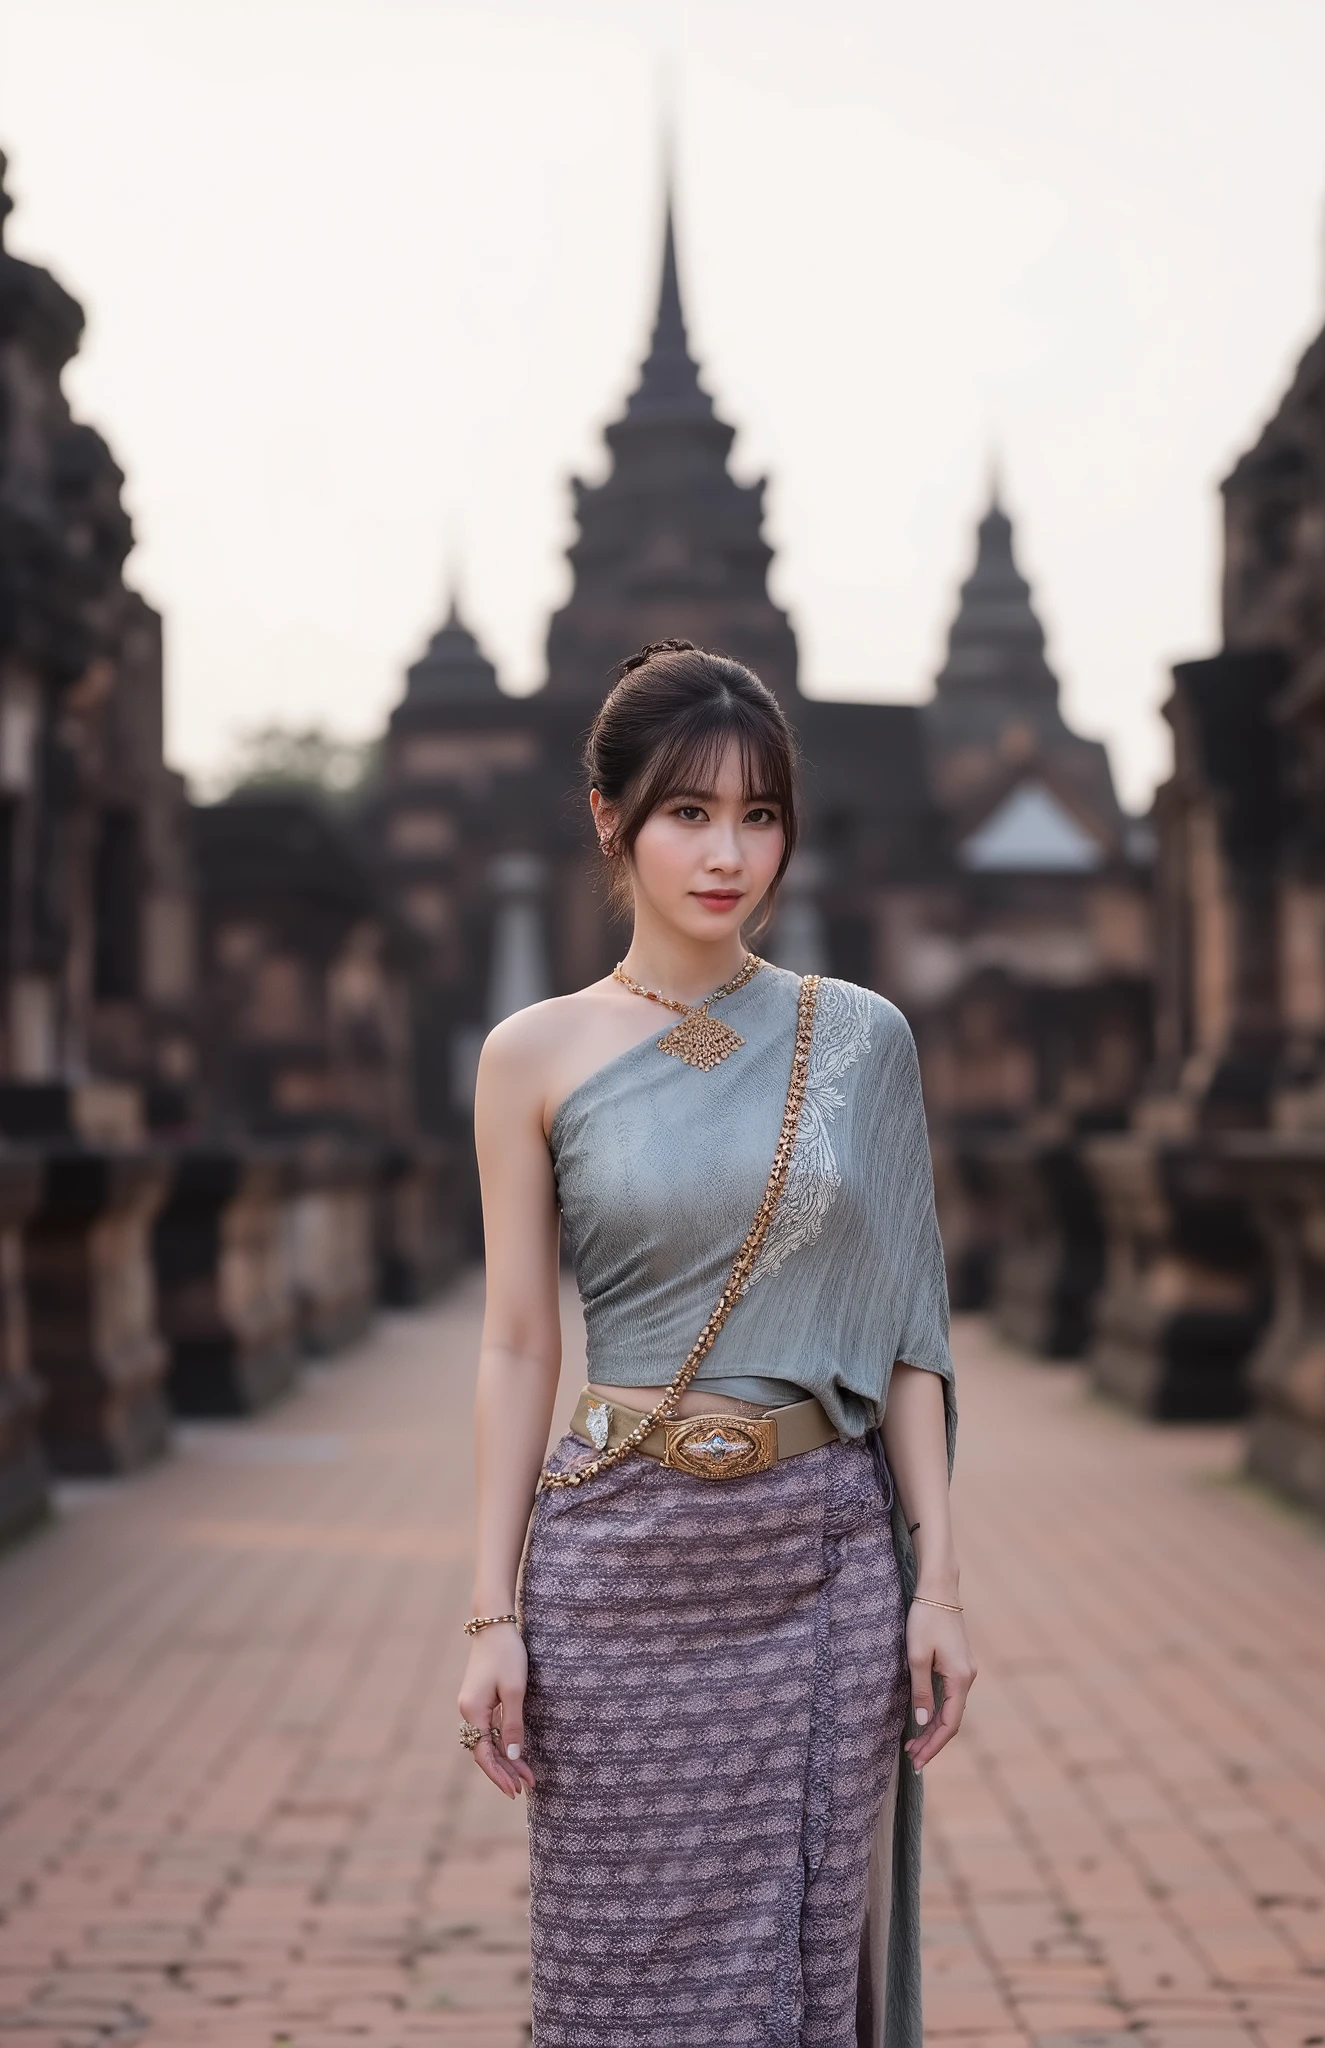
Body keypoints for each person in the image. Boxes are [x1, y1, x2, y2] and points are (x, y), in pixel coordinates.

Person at [457, 639, 973, 2048]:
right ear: (610, 820)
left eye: (759, 814)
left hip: (819, 1563)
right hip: (616, 1571)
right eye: (688, 812)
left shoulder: (857, 1042)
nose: (728, 853)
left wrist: (937, 1586)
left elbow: (909, 1333)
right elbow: (518, 1345)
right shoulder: (532, 1055)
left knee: (799, 1980)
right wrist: (494, 1613)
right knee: (613, 1981)